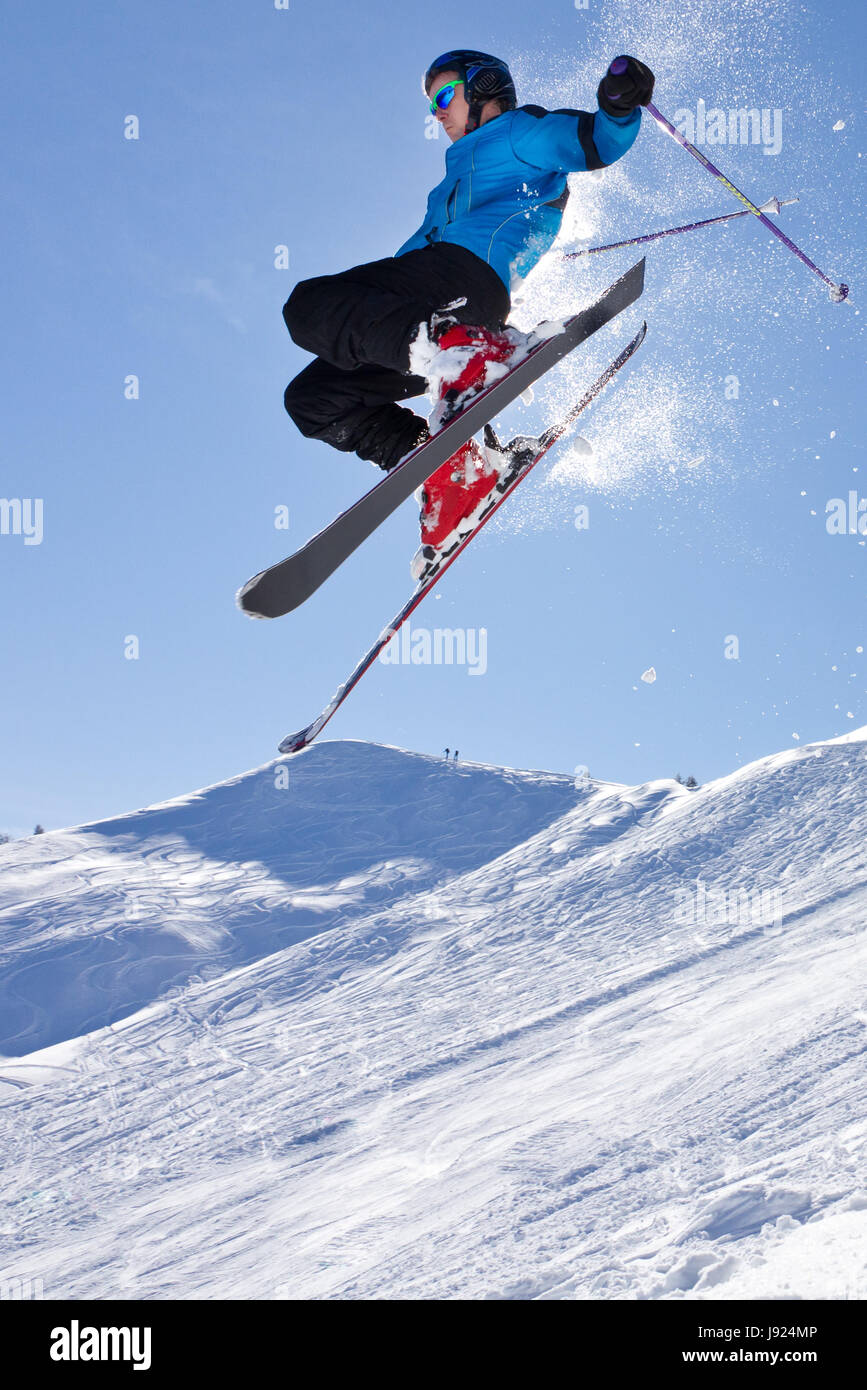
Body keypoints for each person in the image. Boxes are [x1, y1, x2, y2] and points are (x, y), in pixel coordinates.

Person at [282, 49, 653, 568]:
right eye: (430, 103)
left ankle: (457, 348)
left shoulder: (517, 134)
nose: (436, 112)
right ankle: (454, 468)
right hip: (426, 314)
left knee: (308, 306)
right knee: (311, 398)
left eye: (443, 95)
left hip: (461, 286)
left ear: (482, 88)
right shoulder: (452, 176)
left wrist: (618, 105)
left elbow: (594, 141)